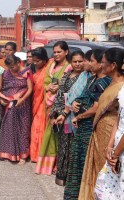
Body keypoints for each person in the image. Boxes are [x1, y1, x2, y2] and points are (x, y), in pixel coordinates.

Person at [64, 49, 112, 199]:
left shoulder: (105, 82)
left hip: (91, 126)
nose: (87, 63)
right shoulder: (92, 79)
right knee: (78, 162)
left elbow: (98, 107)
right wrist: (76, 102)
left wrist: (79, 117)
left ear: (100, 64)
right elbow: (82, 95)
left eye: (91, 61)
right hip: (82, 126)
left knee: (89, 162)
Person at [79, 48, 124, 200]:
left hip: (113, 133)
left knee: (109, 174)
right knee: (100, 172)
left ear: (113, 65)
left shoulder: (121, 87)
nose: (101, 65)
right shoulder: (112, 83)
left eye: (103, 63)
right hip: (105, 132)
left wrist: (114, 149)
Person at [35, 41, 72, 175]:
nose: (56, 54)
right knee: (51, 131)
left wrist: (59, 88)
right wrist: (48, 87)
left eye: (59, 52)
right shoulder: (51, 65)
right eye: (54, 52)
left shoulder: (69, 67)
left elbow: (69, 85)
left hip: (62, 105)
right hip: (49, 102)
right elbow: (45, 82)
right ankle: (49, 165)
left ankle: (59, 164)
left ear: (66, 52)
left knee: (60, 133)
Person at [50, 51, 85, 186]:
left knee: (74, 147)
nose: (77, 64)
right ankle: (61, 175)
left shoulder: (85, 77)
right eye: (75, 61)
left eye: (80, 61)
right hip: (64, 116)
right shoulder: (66, 76)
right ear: (71, 62)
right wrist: (58, 113)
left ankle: (73, 178)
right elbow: (59, 96)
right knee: (63, 145)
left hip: (77, 116)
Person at [0, 54, 33, 164]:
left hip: (22, 104)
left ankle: (23, 155)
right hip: (10, 103)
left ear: (18, 62)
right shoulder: (7, 72)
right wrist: (2, 99)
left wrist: (22, 99)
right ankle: (8, 153)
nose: (12, 69)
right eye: (10, 67)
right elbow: (5, 87)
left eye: (13, 66)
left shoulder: (27, 71)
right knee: (9, 127)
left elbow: (30, 89)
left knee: (23, 129)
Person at [94, 86, 124, 200]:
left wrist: (115, 154)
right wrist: (110, 146)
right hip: (117, 147)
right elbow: (119, 116)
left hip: (119, 151)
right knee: (108, 189)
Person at [30, 47, 49, 162]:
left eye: (38, 61)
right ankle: (34, 154)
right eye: (34, 60)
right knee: (35, 128)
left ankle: (41, 155)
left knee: (40, 126)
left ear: (44, 60)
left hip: (45, 102)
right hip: (35, 100)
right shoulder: (32, 68)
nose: (36, 63)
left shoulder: (49, 69)